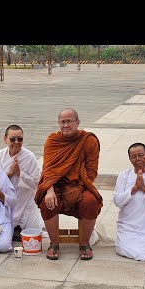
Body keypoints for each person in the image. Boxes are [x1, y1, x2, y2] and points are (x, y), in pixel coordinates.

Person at [34, 108, 102, 261]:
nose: (66, 125)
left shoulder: (88, 140)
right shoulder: (52, 140)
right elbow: (48, 169)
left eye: (69, 121)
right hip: (56, 185)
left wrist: (78, 188)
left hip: (80, 184)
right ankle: (54, 243)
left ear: (77, 122)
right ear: (58, 123)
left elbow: (92, 171)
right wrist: (50, 190)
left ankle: (85, 244)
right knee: (47, 203)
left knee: (90, 202)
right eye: (62, 122)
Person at [0, 125, 43, 240]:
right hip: (4, 199)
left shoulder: (29, 157)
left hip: (24, 199)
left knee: (34, 228)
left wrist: (20, 174)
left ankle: (18, 227)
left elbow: (37, 183)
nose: (16, 142)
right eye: (12, 139)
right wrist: (9, 174)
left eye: (20, 139)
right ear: (5, 139)